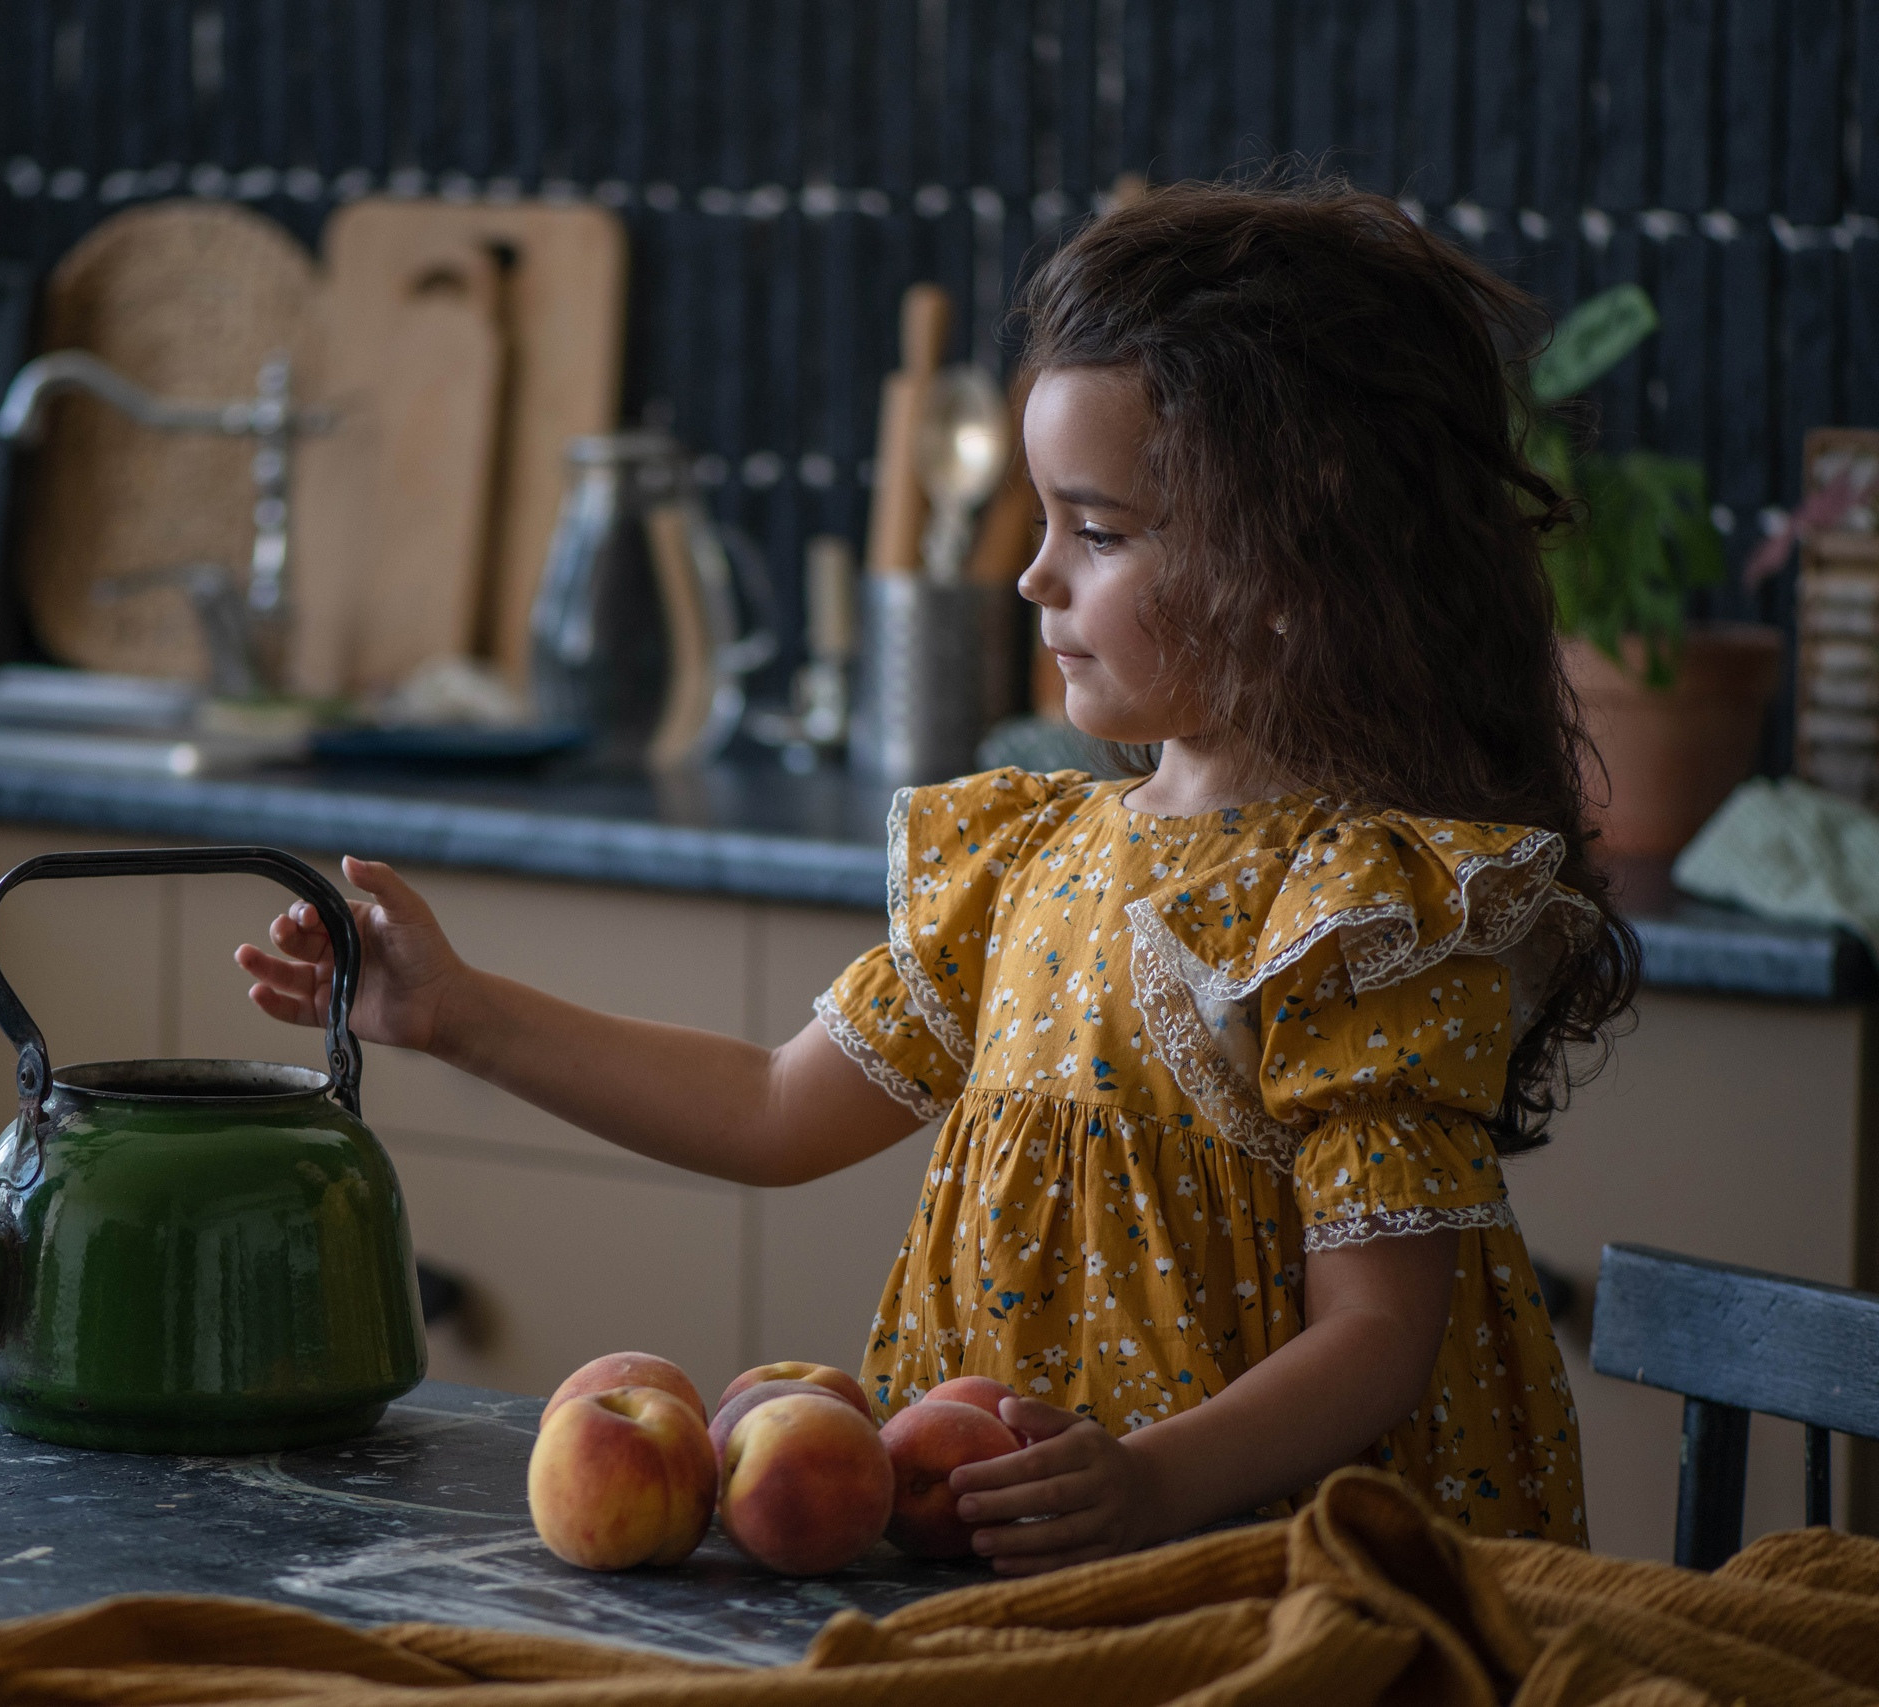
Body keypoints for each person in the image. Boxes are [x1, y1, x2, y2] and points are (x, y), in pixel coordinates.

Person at [236, 178, 1634, 1573]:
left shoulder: (1364, 915)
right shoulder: (1025, 860)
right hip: (1033, 1563)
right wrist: (457, 1013)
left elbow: (1381, 1336)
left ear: (1292, 560)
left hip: (1281, 1571)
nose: (1035, 577)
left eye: (1098, 531)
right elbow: (769, 1107)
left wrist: (1150, 1484)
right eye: (1045, 521)